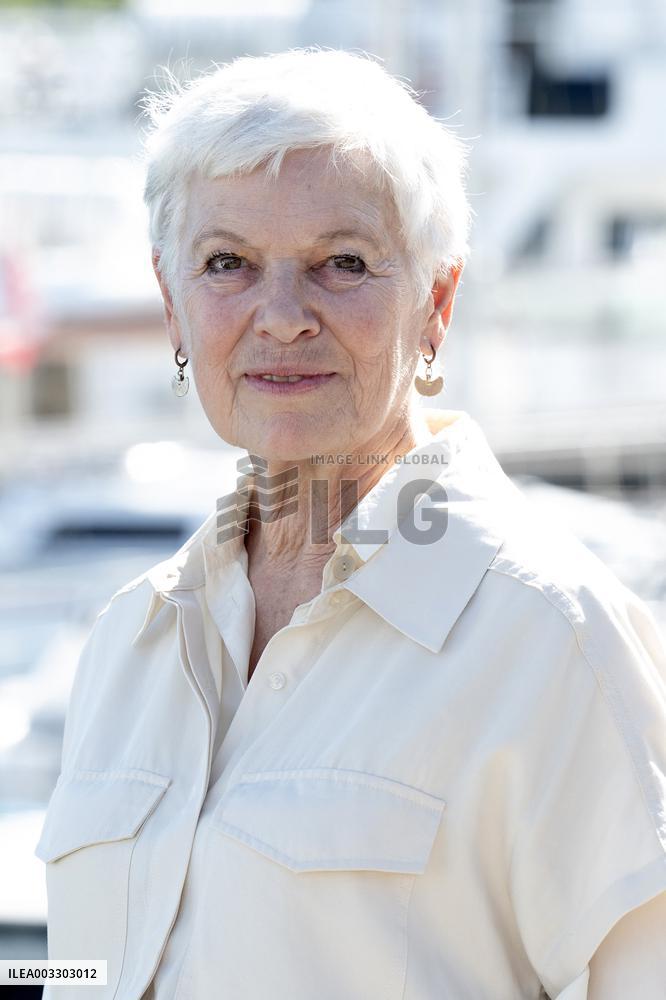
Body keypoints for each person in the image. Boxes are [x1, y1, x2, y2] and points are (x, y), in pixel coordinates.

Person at [34, 48, 666, 1000]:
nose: (282, 315)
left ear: (436, 307)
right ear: (174, 309)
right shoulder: (132, 639)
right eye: (227, 264)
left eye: (342, 263)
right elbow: (85, 970)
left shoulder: (553, 637)